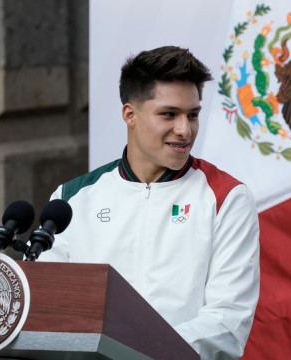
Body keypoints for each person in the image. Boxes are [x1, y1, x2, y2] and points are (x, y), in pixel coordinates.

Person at [39, 46, 260, 359]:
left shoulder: (228, 197)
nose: (184, 130)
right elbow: (48, 304)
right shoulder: (72, 198)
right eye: (169, 114)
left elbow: (226, 322)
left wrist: (134, 351)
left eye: (193, 115)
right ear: (130, 114)